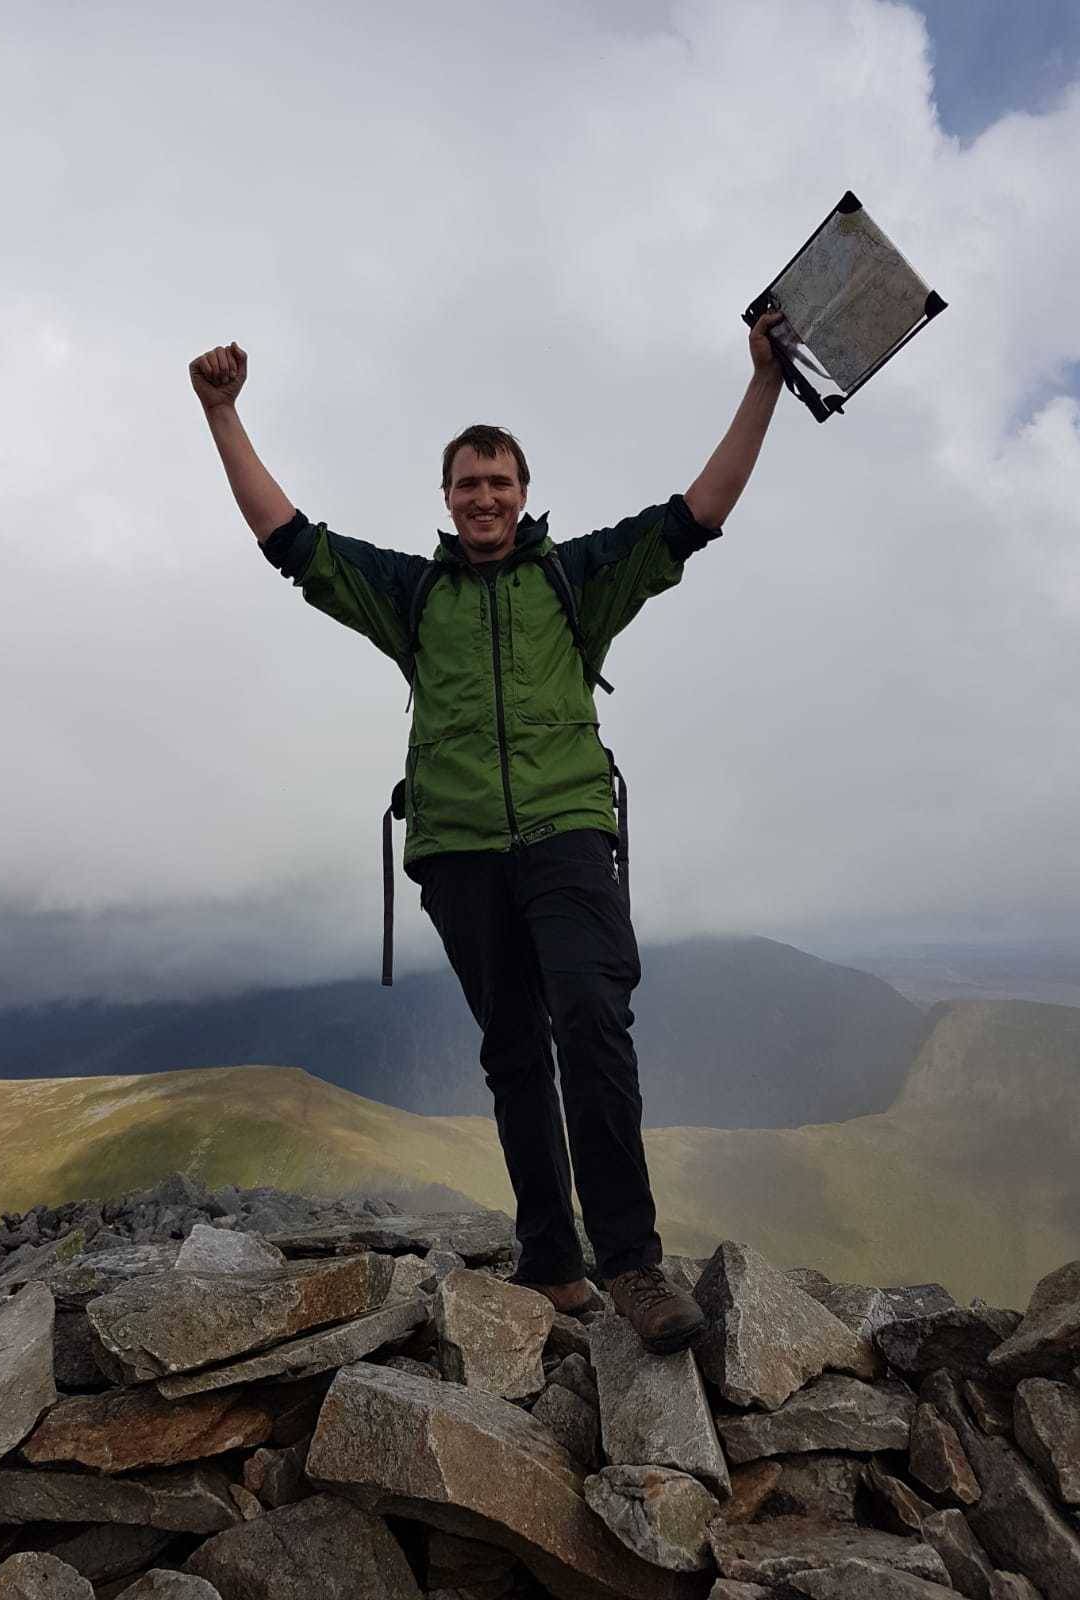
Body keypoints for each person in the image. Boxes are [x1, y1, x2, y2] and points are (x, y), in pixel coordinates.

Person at [190, 311, 785, 1353]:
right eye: (468, 482)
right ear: (447, 498)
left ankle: (634, 1266)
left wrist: (767, 385)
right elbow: (291, 541)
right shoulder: (411, 594)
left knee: (593, 1022)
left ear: (524, 492)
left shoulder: (577, 577)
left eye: (501, 481)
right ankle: (552, 1263)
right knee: (514, 1052)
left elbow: (701, 511)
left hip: (565, 831)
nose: (485, 497)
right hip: (459, 850)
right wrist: (223, 413)